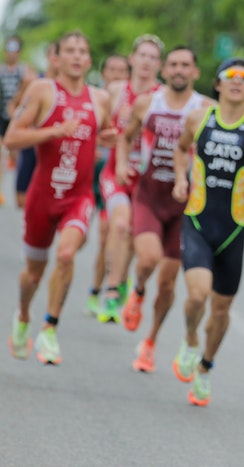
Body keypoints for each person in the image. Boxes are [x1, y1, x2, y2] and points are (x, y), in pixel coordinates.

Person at [170, 57, 244, 406]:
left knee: (220, 310)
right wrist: (180, 179)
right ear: (217, 84)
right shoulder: (198, 118)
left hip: (233, 230)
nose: (237, 81)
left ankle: (205, 366)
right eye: (229, 75)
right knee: (197, 295)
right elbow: (180, 149)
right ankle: (190, 339)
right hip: (198, 220)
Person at [6, 31, 115, 364]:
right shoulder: (43, 90)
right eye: (70, 50)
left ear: (89, 59)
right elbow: (11, 138)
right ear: (56, 58)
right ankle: (23, 315)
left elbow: (105, 134)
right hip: (42, 196)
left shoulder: (100, 99)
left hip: (78, 197)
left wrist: (109, 139)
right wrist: (53, 131)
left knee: (66, 255)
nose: (77, 56)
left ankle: (50, 328)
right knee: (33, 274)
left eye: (82, 51)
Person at [116, 45, 214, 372]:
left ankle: (151, 341)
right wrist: (121, 165)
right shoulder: (148, 103)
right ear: (165, 70)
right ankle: (137, 290)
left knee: (169, 283)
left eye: (185, 65)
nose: (179, 70)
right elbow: (125, 137)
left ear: (195, 72)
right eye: (173, 64)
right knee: (147, 259)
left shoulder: (206, 109)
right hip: (149, 196)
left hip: (185, 206)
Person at [93, 35, 164, 322]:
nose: (146, 62)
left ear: (159, 65)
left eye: (153, 57)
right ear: (132, 59)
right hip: (116, 172)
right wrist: (104, 140)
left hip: (147, 179)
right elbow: (97, 127)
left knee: (134, 233)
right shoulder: (115, 91)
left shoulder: (162, 97)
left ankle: (121, 280)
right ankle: (111, 291)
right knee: (119, 224)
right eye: (142, 55)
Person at [85, 53, 130, 319]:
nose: (116, 75)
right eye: (112, 70)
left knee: (110, 233)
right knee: (96, 238)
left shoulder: (133, 103)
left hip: (115, 177)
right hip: (90, 176)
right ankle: (99, 286)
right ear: (103, 74)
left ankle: (105, 288)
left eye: (122, 71)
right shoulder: (95, 100)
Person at [11, 41, 58, 209]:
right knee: (21, 200)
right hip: (31, 147)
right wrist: (22, 124)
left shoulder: (71, 88)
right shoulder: (34, 81)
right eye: (54, 53)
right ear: (48, 56)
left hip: (56, 150)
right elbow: (13, 107)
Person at [0, 35, 37, 206]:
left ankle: (22, 186)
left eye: (14, 49)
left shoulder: (25, 71)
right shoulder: (1, 70)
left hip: (18, 117)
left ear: (19, 51)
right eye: (9, 48)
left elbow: (32, 91)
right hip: (2, 116)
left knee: (17, 154)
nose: (11, 53)